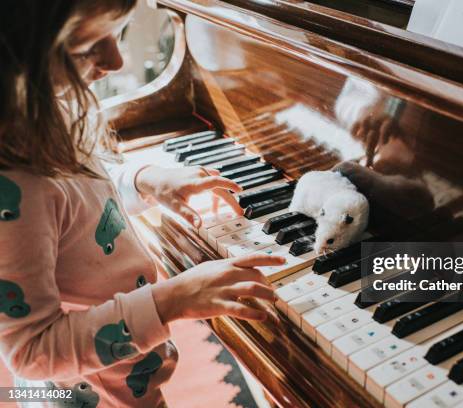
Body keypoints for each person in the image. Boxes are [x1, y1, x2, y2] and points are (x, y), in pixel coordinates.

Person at [0, 1, 285, 406]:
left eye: (116, 32)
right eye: (85, 47)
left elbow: (77, 203)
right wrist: (172, 300)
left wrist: (143, 180)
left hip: (125, 371)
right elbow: (32, 352)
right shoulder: (10, 182)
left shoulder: (45, 110)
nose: (115, 61)